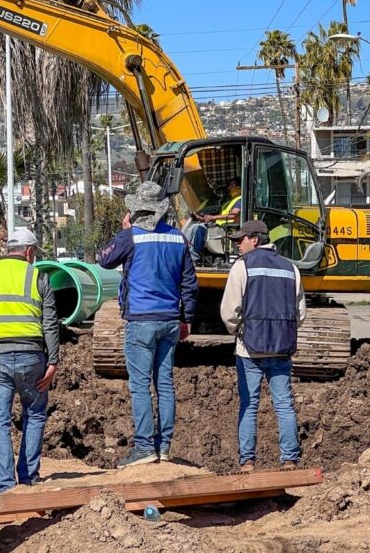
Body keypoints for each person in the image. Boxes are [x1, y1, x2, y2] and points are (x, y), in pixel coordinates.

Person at [99, 181, 198, 468]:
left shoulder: (131, 237)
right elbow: (190, 284)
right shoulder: (178, 239)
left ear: (135, 209)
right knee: (164, 384)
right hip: (169, 320)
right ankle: (163, 447)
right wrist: (186, 318)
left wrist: (124, 229)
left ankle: (144, 447)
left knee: (140, 386)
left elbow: (104, 260)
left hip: (141, 321)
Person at [0, 228, 59, 493]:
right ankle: (28, 478)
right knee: (35, 413)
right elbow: (49, 322)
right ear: (29, 252)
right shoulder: (38, 276)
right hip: (32, 357)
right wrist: (53, 360)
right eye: (35, 253)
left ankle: (5, 485)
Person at [219, 219, 306, 472]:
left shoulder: (242, 267)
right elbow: (300, 313)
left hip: (249, 349)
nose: (238, 244)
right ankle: (289, 460)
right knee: (284, 404)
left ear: (254, 240)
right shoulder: (291, 268)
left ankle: (247, 462)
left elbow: (229, 310)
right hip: (282, 348)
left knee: (249, 404)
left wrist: (237, 330)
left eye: (241, 239)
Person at [183, 177, 243, 261]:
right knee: (193, 227)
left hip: (227, 230)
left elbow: (232, 215)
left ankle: (193, 258)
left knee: (197, 228)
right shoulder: (231, 201)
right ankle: (185, 253)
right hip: (220, 227)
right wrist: (202, 219)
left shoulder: (240, 200)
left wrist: (212, 217)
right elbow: (222, 218)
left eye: (231, 185)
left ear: (238, 186)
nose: (229, 188)